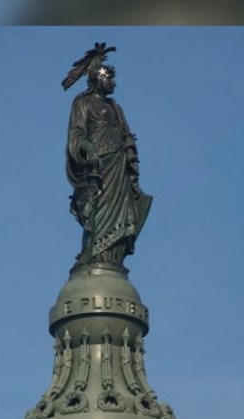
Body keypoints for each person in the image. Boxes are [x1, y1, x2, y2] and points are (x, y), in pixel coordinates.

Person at [63, 43, 152, 269]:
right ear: (99, 78)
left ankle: (113, 258)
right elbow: (76, 132)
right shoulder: (82, 103)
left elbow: (126, 134)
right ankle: (92, 255)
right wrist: (87, 148)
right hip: (99, 167)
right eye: (110, 78)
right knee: (97, 211)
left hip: (118, 167)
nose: (114, 83)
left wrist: (130, 153)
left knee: (123, 211)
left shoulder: (116, 107)